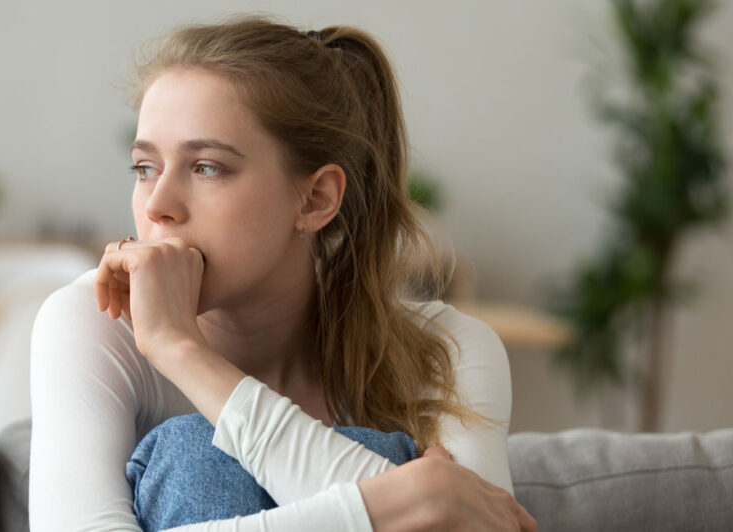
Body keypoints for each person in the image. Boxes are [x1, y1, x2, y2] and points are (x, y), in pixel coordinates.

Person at [30, 15, 538, 532]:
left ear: (316, 199)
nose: (158, 206)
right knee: (193, 455)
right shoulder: (93, 320)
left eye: (206, 167)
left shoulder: (448, 349)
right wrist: (397, 502)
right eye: (145, 168)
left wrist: (185, 353)